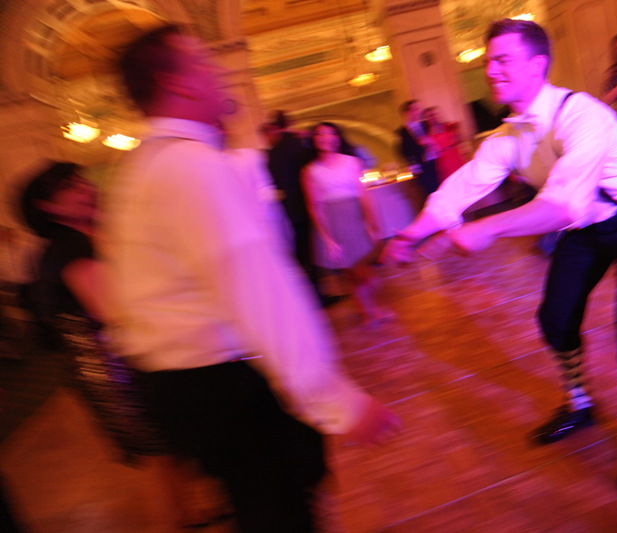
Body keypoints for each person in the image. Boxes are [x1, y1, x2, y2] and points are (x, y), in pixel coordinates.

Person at [105, 25, 400, 532]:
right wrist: (335, 401)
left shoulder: (141, 167)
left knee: (265, 506)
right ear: (175, 82)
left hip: (181, 384)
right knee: (279, 512)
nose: (219, 70)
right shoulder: (189, 165)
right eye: (203, 61)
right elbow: (254, 288)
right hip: (219, 383)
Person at [382, 18, 617, 491]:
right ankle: (580, 404)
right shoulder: (506, 138)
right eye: (488, 61)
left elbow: (563, 205)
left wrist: (486, 228)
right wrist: (407, 237)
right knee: (555, 318)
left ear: (538, 65)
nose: (490, 70)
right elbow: (461, 187)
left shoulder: (583, 114)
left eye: (502, 59)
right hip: (586, 228)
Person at [16, 161, 226, 528]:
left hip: (124, 356)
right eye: (69, 187)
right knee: (155, 453)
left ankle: (189, 511)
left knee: (169, 444)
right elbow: (109, 309)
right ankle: (170, 521)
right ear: (46, 207)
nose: (83, 189)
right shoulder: (68, 247)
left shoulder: (91, 233)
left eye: (81, 181)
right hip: (107, 368)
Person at [302, 122, 392, 325]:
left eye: (330, 134)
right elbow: (314, 207)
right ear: (314, 139)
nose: (325, 138)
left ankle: (374, 308)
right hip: (333, 222)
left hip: (355, 216)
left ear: (337, 138)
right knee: (349, 273)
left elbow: (364, 194)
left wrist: (371, 223)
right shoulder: (311, 171)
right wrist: (326, 238)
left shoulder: (351, 162)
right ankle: (367, 312)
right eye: (320, 134)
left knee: (363, 270)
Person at [260, 111, 338, 307]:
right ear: (289, 123)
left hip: (289, 208)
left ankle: (313, 294)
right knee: (314, 251)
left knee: (302, 252)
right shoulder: (299, 145)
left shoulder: (271, 153)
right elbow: (312, 171)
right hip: (307, 204)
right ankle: (321, 295)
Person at [397, 99, 439, 197]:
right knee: (430, 194)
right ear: (407, 113)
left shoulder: (425, 125)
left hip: (434, 164)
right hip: (421, 169)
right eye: (415, 109)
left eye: (418, 109)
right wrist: (413, 165)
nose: (418, 111)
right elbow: (403, 152)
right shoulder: (402, 132)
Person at [422, 106, 466, 182]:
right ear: (427, 119)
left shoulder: (448, 126)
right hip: (444, 165)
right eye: (430, 116)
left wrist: (457, 132)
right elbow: (430, 155)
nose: (433, 117)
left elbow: (459, 141)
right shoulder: (428, 136)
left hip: (456, 159)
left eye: (435, 114)